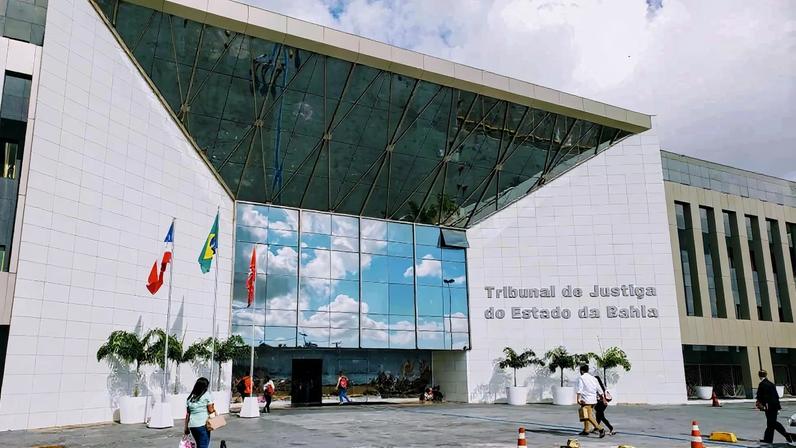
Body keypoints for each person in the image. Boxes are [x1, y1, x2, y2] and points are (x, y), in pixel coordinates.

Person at [756, 369, 795, 445]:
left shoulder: (762, 384)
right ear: (766, 375)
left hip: (768, 406)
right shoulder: (771, 384)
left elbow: (761, 396)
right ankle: (768, 439)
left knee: (772, 423)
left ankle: (787, 435)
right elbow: (776, 396)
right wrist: (778, 407)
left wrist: (760, 404)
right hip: (774, 406)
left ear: (759, 376)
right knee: (770, 424)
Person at [184, 377, 215, 448]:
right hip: (203, 424)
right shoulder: (206, 395)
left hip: (192, 425)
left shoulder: (190, 397)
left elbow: (188, 414)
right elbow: (210, 410)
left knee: (199, 444)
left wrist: (186, 428)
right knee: (204, 445)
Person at [576, 365, 605, 438]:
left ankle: (600, 429)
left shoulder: (581, 378)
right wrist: (602, 397)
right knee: (586, 414)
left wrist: (578, 399)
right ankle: (586, 430)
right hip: (593, 400)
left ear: (582, 371)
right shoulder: (593, 378)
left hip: (586, 400)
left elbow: (580, 389)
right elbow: (599, 388)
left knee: (588, 416)